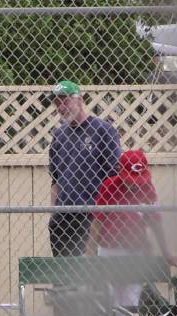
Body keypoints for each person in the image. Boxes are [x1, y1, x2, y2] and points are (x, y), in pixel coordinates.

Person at [89, 149, 176, 316]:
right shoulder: (110, 186)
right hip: (110, 250)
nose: (134, 183)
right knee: (112, 300)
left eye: (138, 177)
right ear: (120, 171)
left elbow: (156, 223)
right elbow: (97, 222)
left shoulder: (148, 189)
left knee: (130, 302)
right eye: (130, 178)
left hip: (135, 251)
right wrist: (89, 253)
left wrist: (165, 252)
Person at [47, 79, 121, 257]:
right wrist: (53, 214)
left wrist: (106, 215)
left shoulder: (103, 131)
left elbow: (114, 177)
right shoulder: (59, 135)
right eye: (57, 102)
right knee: (64, 278)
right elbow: (55, 180)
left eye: (65, 100)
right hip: (63, 218)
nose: (61, 107)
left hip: (92, 216)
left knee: (90, 275)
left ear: (80, 99)